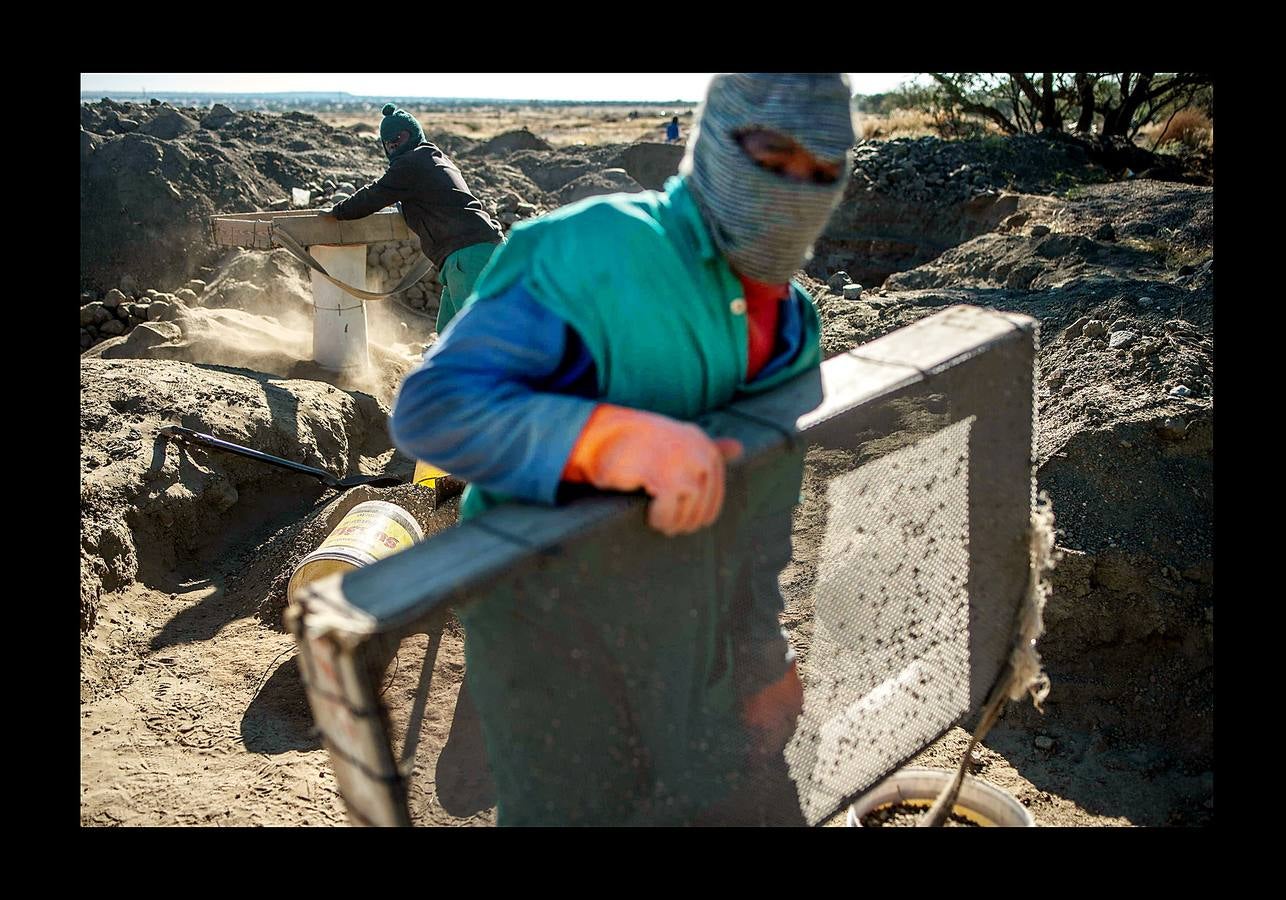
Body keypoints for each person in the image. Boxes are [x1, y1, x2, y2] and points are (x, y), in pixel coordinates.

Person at [389, 74, 854, 825]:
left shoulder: (794, 325)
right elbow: (435, 409)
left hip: (685, 629)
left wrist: (766, 660)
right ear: (716, 144)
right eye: (772, 152)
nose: (795, 187)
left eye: (824, 168)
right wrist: (603, 439)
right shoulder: (586, 251)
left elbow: (765, 521)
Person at [323, 103, 505, 333]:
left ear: (413, 134)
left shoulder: (411, 163)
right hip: (478, 253)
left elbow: (375, 195)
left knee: (480, 337)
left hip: (468, 258)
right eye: (388, 143)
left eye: (398, 138)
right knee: (449, 334)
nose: (393, 146)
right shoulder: (433, 158)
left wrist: (336, 212)